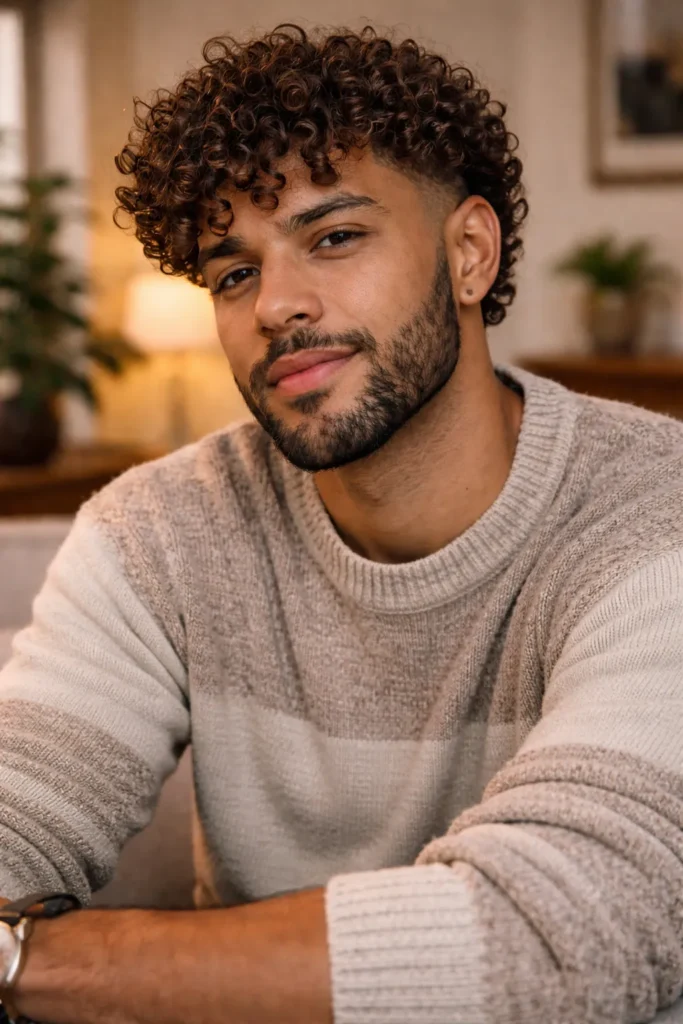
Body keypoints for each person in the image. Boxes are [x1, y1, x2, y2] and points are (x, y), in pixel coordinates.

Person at [0, 22, 682, 1024]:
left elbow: (556, 943)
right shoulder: (157, 532)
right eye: (232, 272)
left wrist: (30, 961)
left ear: (468, 253)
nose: (275, 303)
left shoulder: (649, 514)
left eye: (333, 237)